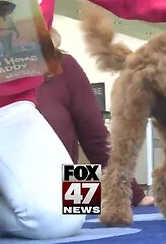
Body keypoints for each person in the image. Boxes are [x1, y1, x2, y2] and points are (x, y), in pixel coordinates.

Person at [0, 0, 166, 240]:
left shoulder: (67, 68)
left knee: (67, 216)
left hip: (11, 112)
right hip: (31, 152)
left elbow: (95, 136)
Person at [37, 29, 154, 207]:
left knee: (76, 208)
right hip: (7, 187)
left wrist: (135, 194)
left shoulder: (63, 66)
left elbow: (96, 137)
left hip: (58, 185)